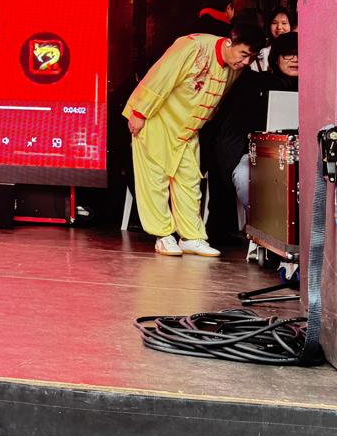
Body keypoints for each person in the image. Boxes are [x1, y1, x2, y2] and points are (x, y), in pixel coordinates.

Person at [125, 15, 267, 257]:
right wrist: (139, 111)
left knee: (190, 182)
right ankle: (163, 235)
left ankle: (191, 236)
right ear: (230, 41)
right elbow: (162, 75)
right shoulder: (194, 46)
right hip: (158, 120)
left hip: (188, 130)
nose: (246, 62)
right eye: (243, 54)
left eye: (252, 58)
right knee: (155, 180)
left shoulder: (235, 68)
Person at [211, 30, 299, 233]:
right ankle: (270, 228)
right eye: (288, 54)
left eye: (299, 54)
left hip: (300, 158)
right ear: (276, 58)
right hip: (258, 155)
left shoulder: (316, 87)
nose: (294, 59)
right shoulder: (254, 84)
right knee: (244, 175)